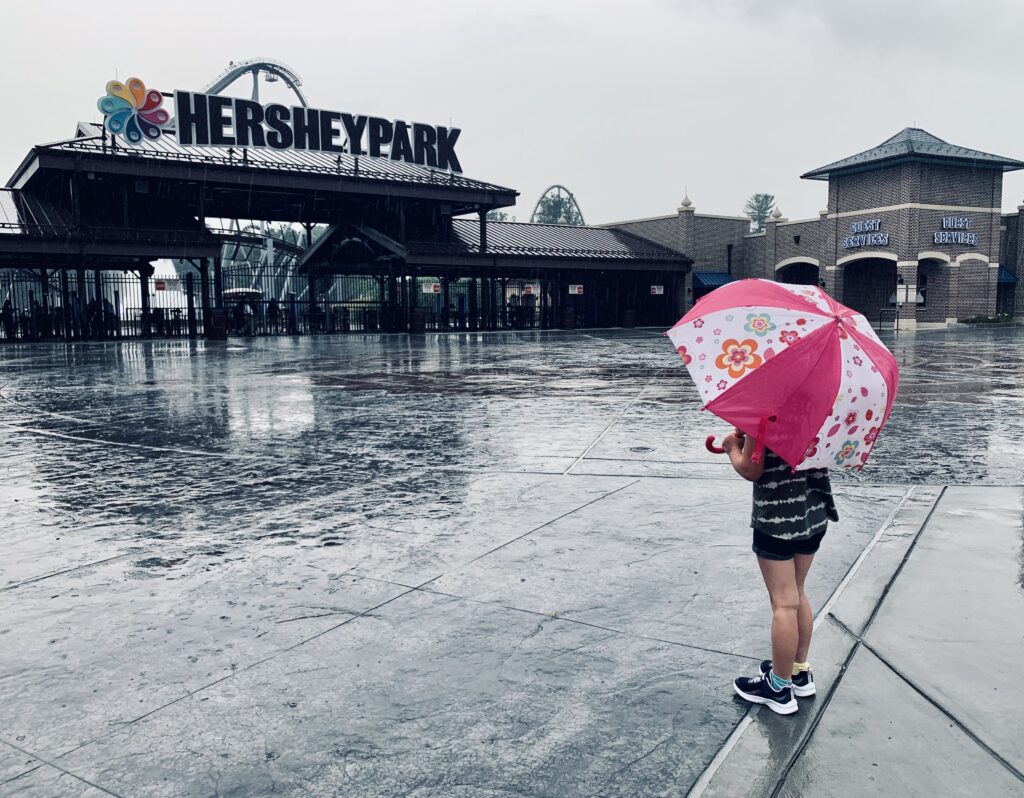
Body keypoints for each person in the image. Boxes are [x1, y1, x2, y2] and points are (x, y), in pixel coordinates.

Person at [721, 428, 838, 715]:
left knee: (783, 603)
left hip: (777, 519)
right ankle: (798, 671)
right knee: (797, 591)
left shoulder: (764, 408)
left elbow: (751, 468)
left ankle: (778, 686)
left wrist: (731, 448)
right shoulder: (823, 403)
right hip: (813, 513)